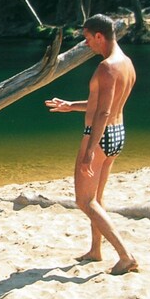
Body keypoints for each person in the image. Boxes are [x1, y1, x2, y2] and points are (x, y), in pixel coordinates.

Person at [45, 14, 139, 275]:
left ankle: (125, 255)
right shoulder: (127, 64)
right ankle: (96, 250)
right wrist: (70, 106)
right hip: (117, 134)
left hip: (100, 135)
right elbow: (104, 105)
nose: (86, 44)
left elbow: (103, 113)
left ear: (100, 36)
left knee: (84, 201)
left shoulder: (107, 67)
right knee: (97, 199)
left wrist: (89, 150)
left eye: (88, 39)